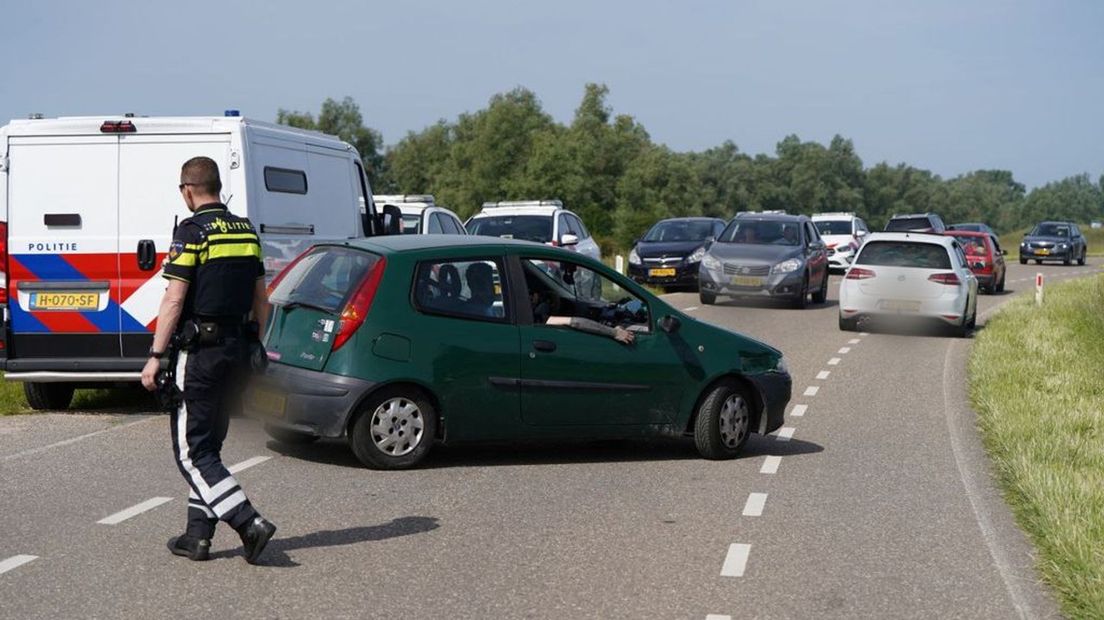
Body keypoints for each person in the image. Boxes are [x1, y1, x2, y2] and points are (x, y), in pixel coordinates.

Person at [140, 156, 276, 564]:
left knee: (191, 454)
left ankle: (248, 521)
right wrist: (258, 345)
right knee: (209, 448)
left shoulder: (193, 232)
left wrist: (155, 356)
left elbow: (175, 297)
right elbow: (261, 299)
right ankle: (197, 536)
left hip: (199, 354)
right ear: (217, 186)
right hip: (235, 351)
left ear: (187, 190)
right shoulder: (245, 230)